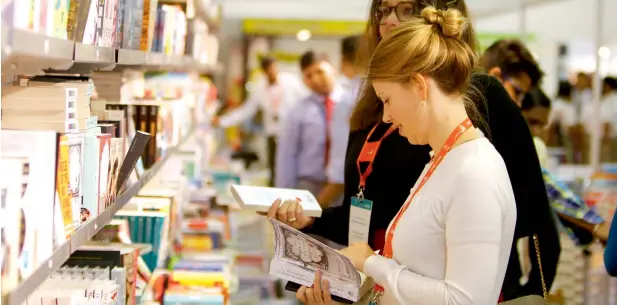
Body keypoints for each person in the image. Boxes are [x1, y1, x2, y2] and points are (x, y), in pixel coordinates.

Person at [265, 0, 559, 302]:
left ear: (419, 86)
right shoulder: (440, 159)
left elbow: (464, 294)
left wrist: (374, 264)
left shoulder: (472, 167)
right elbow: (372, 214)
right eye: (383, 11)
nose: (388, 117)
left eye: (405, 9)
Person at [213, 56, 306, 186]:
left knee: (293, 170)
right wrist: (223, 121)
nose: (272, 73)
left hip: (291, 134)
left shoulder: (291, 82)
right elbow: (247, 110)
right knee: (275, 171)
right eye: (268, 70)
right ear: (264, 71)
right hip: (273, 135)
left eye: (273, 68)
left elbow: (305, 102)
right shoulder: (260, 87)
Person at [275, 51, 343, 199]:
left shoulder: (351, 104)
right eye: (308, 75)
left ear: (333, 69)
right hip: (308, 186)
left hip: (343, 186)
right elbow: (287, 155)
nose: (316, 79)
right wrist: (284, 195)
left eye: (320, 71)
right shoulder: (298, 111)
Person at [319, 35, 363, 206]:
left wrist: (318, 206)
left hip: (347, 190)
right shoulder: (377, 93)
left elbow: (339, 168)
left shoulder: (348, 100)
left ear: (343, 60)